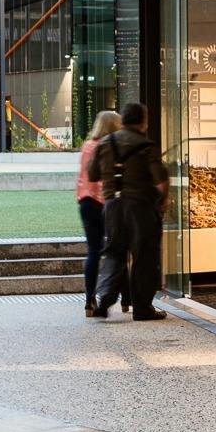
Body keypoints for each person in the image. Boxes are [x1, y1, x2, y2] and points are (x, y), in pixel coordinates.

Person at [87, 101, 169, 322]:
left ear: (123, 120)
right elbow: (161, 181)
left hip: (112, 206)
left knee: (114, 253)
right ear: (143, 121)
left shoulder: (105, 143)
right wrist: (163, 201)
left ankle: (105, 301)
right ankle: (142, 308)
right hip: (140, 207)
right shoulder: (146, 146)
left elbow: (92, 174)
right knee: (144, 256)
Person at [75, 108, 120, 318]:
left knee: (93, 251)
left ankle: (89, 300)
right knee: (117, 249)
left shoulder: (87, 146)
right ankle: (122, 298)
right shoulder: (107, 146)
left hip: (85, 201)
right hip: (104, 202)